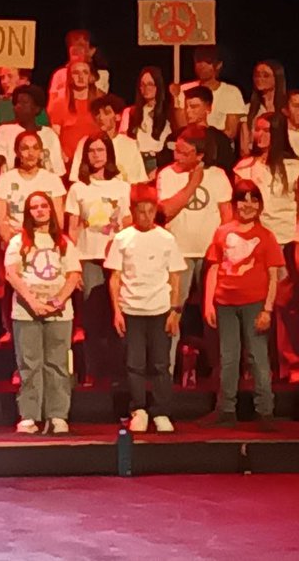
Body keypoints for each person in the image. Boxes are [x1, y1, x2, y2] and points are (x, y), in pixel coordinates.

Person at [105, 184, 185, 433]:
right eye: (141, 211)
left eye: (151, 211)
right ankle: (138, 409)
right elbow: (115, 278)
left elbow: (175, 276)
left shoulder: (166, 238)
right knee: (134, 364)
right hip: (132, 310)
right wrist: (117, 311)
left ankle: (161, 411)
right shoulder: (123, 238)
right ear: (133, 211)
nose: (146, 216)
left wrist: (175, 311)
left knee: (161, 364)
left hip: (160, 309)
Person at [204, 180, 282, 427]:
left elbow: (273, 276)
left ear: (260, 204)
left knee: (258, 357)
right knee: (228, 356)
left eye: (253, 200)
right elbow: (214, 268)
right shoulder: (222, 232)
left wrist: (267, 309)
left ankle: (265, 411)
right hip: (225, 303)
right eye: (243, 200)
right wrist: (208, 303)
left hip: (254, 303)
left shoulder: (266, 236)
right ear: (234, 203)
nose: (248, 205)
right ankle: (226, 410)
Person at [157, 126, 233, 375]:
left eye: (184, 152)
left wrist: (223, 251)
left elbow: (227, 216)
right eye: (176, 150)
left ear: (200, 155)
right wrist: (193, 184)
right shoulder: (167, 175)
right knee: (173, 311)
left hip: (211, 254)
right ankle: (166, 370)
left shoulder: (218, 176)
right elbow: (166, 211)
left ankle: (219, 370)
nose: (177, 156)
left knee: (213, 313)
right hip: (178, 255)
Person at [5, 191, 82, 435]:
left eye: (44, 206)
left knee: (57, 364)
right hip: (26, 312)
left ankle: (57, 415)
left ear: (51, 209)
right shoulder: (19, 242)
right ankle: (29, 415)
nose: (39, 210)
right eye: (34, 207)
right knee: (30, 364)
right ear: (28, 213)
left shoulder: (63, 242)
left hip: (60, 312)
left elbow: (73, 275)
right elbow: (12, 273)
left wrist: (58, 300)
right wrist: (33, 302)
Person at [232, 112, 299, 383]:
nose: (259, 135)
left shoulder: (294, 167)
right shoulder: (244, 167)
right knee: (253, 303)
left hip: (285, 240)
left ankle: (289, 363)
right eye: (257, 129)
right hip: (254, 242)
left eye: (266, 130)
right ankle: (255, 363)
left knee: (284, 305)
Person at [65, 133, 132, 385]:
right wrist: (73, 266)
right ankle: (94, 371)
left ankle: (117, 372)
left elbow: (127, 224)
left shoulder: (122, 187)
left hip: (116, 260)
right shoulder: (78, 188)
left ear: (109, 154)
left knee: (118, 314)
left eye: (101, 150)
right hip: (88, 258)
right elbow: (72, 229)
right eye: (91, 151)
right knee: (92, 318)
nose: (96, 155)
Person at [68, 95, 148, 184]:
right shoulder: (85, 142)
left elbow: (138, 180)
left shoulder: (130, 145)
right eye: (97, 113)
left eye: (106, 113)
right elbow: (76, 178)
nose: (101, 118)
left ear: (118, 116)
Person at [175, 46, 245, 141]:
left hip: (220, 144)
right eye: (198, 61)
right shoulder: (185, 89)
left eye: (207, 62)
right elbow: (181, 126)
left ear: (218, 65)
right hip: (191, 143)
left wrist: (208, 141)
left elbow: (231, 131)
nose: (202, 65)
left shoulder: (231, 92)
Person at [0, 85, 66, 177]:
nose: (18, 106)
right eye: (17, 103)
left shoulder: (49, 135)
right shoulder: (4, 131)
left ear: (37, 108)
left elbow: (58, 171)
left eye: (24, 103)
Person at [47, 58, 102, 163]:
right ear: (69, 77)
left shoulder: (100, 101)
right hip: (68, 161)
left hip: (94, 160)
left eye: (85, 72)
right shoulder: (59, 103)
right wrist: (61, 155)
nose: (81, 76)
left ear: (90, 76)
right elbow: (54, 136)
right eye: (76, 73)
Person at [121, 66, 171, 175]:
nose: (146, 88)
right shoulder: (131, 112)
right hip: (137, 162)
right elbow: (124, 142)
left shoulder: (169, 111)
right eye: (143, 85)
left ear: (158, 86)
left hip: (159, 162)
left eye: (150, 84)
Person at [177, 85, 236, 175]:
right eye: (186, 107)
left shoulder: (220, 139)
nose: (188, 111)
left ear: (208, 108)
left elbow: (226, 170)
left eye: (193, 106)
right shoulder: (176, 135)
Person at [48, 30, 110, 104]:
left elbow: (99, 102)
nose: (76, 49)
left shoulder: (102, 75)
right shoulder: (60, 74)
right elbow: (53, 102)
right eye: (72, 45)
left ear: (92, 51)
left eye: (81, 46)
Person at [241, 60, 287, 157]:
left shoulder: (287, 108)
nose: (259, 79)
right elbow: (245, 148)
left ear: (277, 78)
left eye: (266, 75)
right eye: (257, 75)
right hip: (256, 158)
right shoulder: (247, 109)